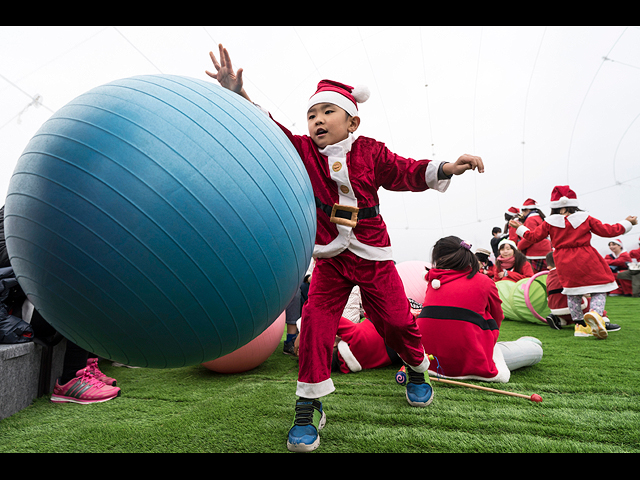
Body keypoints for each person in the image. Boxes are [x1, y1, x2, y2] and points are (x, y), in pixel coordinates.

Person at [206, 44, 485, 452]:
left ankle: (417, 369)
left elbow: (407, 170)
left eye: (327, 112)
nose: (317, 120)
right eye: (312, 114)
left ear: (352, 120)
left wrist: (448, 167)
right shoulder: (301, 151)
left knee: (396, 321)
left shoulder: (371, 151)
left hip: (373, 256)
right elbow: (270, 132)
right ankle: (307, 406)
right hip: (330, 262)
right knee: (314, 327)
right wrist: (238, 94)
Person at [0, 206, 120, 404]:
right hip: (17, 311)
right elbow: (11, 259)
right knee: (79, 284)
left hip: (37, 300)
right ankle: (72, 378)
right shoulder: (12, 215)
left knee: (97, 278)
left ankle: (89, 365)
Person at [511, 185, 637, 340]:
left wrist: (520, 228)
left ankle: (580, 326)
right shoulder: (586, 218)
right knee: (600, 287)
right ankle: (596, 315)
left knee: (572, 292)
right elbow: (608, 231)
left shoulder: (549, 222)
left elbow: (533, 237)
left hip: (564, 261)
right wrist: (627, 223)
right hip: (586, 256)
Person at [417, 236, 542, 383]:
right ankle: (528, 342)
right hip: (471, 358)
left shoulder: (433, 282)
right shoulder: (484, 281)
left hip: (430, 362)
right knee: (535, 350)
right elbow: (497, 317)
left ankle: (524, 342)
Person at [544, 251, 620, 334]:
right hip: (575, 308)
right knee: (593, 301)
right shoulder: (570, 272)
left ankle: (560, 320)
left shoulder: (548, 277)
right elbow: (582, 290)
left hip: (555, 308)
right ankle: (603, 321)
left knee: (568, 308)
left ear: (548, 266)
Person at [515, 198, 552, 273]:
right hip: (546, 250)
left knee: (534, 277)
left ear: (528, 210)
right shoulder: (540, 218)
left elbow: (530, 237)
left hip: (535, 253)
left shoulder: (530, 219)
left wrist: (519, 246)